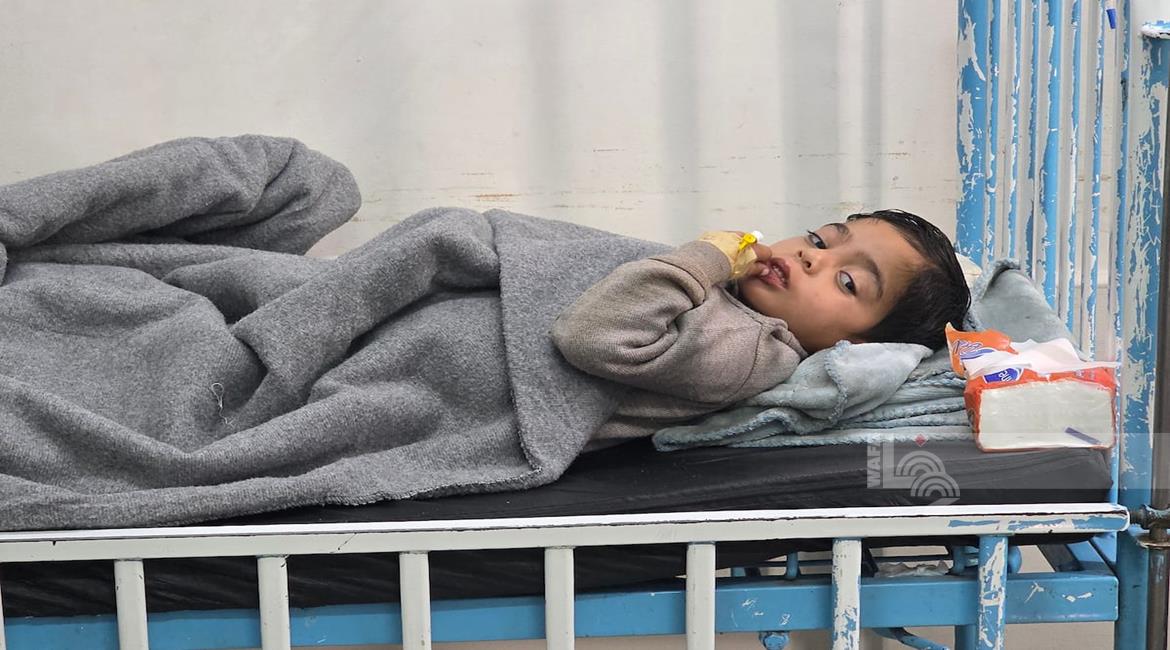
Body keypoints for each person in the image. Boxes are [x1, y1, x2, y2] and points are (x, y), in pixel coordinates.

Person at [551, 209, 971, 449]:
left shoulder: (749, 351)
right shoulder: (730, 292)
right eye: (820, 240)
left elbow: (590, 336)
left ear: (856, 344)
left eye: (847, 282)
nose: (812, 257)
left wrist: (704, 259)